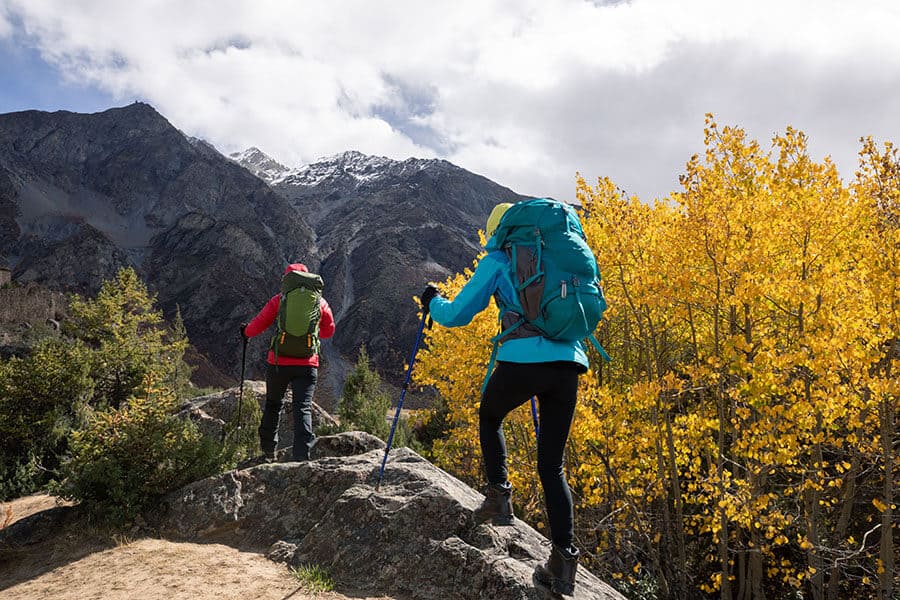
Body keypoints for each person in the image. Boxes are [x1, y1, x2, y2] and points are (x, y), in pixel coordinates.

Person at [420, 203, 587, 597]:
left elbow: (459, 313)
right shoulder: (560, 253)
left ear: (500, 231)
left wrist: (432, 304)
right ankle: (564, 564)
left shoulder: (499, 259)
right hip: (570, 364)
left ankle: (499, 497)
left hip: (524, 361)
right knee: (552, 464)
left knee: (490, 416)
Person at [242, 263, 335, 462]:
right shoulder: (320, 302)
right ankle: (302, 456)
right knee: (302, 406)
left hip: (278, 363)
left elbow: (258, 324)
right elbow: (329, 331)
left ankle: (268, 452)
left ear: (287, 280)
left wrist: (245, 331)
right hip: (308, 364)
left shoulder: (279, 300)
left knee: (273, 405)